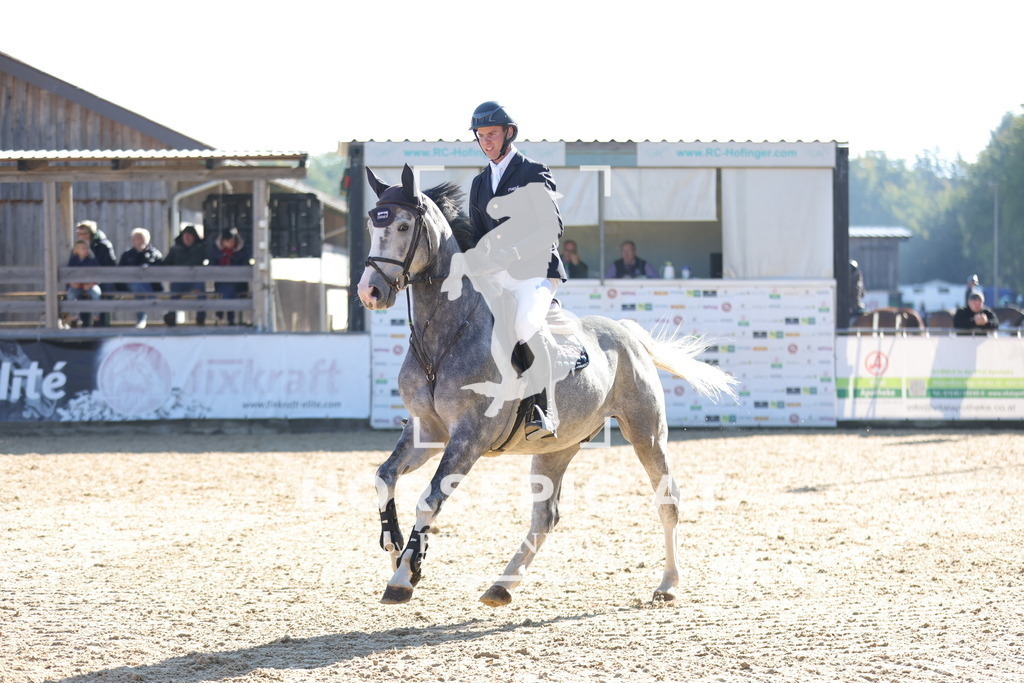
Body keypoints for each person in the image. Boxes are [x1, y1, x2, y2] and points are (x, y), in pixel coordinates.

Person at [467, 101, 566, 440]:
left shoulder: (532, 171)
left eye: (492, 134)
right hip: (498, 273)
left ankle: (544, 408)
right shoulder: (480, 183)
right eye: (480, 136)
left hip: (536, 271)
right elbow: (478, 237)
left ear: (509, 133)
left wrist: (514, 252)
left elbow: (551, 228)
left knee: (524, 323)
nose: (486, 142)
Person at [160, 225, 207, 326]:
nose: (187, 238)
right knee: (174, 293)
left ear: (194, 237)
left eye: (190, 236)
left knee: (201, 292)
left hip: (195, 280)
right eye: (185, 236)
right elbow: (166, 263)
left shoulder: (201, 249)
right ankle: (172, 317)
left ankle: (200, 317)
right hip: (179, 280)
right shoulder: (175, 249)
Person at [117, 227, 163, 329]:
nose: (133, 240)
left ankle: (141, 320)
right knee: (137, 285)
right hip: (130, 284)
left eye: (137, 238)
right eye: (133, 238)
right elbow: (121, 271)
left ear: (144, 239)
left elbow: (159, 272)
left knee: (139, 289)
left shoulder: (155, 254)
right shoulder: (127, 255)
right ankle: (154, 300)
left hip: (151, 285)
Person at [75, 220, 116, 326]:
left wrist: (94, 281)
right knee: (75, 291)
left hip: (103, 280)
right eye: (80, 234)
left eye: (85, 234)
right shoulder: (79, 247)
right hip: (85, 280)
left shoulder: (104, 246)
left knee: (101, 293)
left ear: (92, 234)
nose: (82, 236)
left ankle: (101, 326)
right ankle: (83, 325)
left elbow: (109, 267)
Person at [208, 227, 250, 325]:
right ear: (222, 241)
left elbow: (244, 268)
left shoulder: (242, 252)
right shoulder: (216, 253)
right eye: (227, 241)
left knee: (229, 289)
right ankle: (229, 317)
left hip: (238, 284)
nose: (230, 243)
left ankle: (221, 315)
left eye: (232, 241)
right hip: (221, 283)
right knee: (226, 288)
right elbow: (212, 267)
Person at [65, 239, 102, 327]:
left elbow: (98, 274)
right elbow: (68, 274)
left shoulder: (92, 260)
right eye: (83, 248)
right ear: (77, 250)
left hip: (90, 285)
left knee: (96, 293)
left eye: (87, 248)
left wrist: (91, 284)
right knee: (70, 294)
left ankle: (96, 318)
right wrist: (72, 283)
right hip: (76, 285)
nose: (86, 250)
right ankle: (73, 318)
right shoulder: (73, 261)